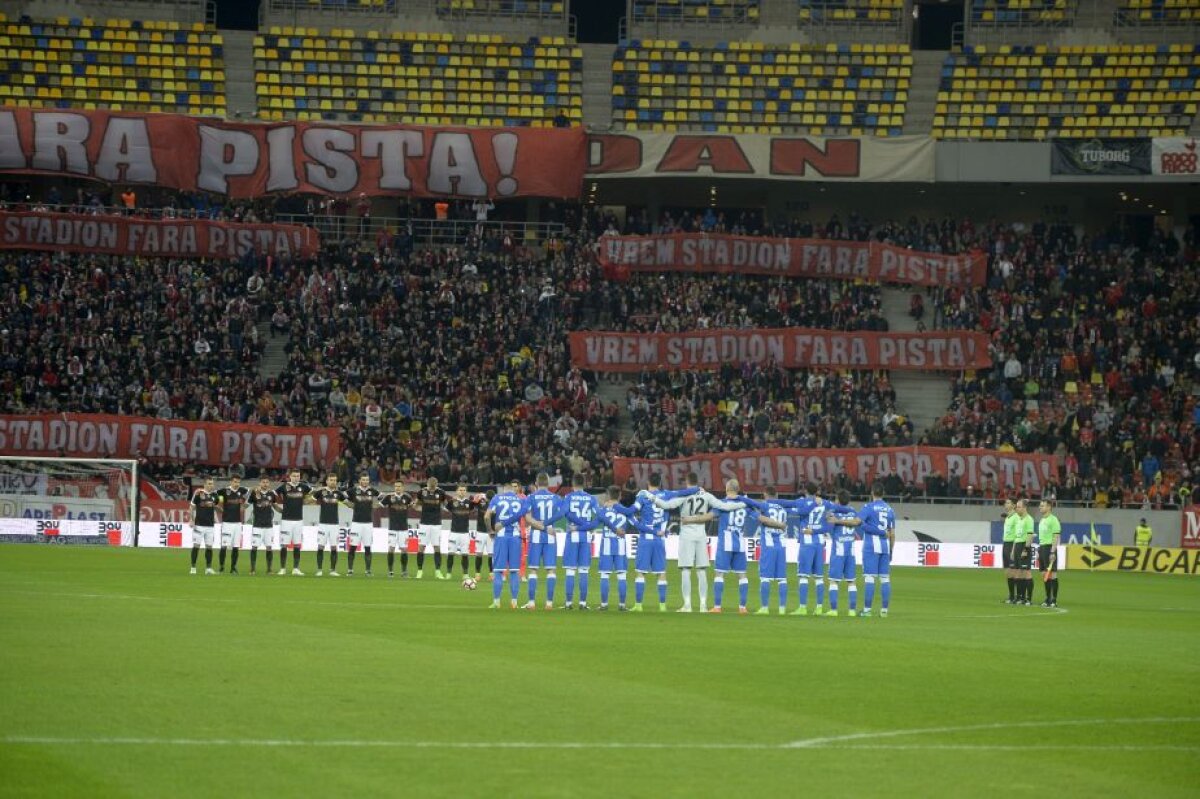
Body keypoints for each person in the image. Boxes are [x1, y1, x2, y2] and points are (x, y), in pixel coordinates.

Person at [650, 475, 746, 613]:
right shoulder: (706, 495)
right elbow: (723, 505)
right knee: (701, 570)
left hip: (687, 535)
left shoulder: (684, 495)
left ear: (687, 483)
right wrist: (743, 503)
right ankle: (703, 605)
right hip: (701, 534)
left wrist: (652, 498)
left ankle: (687, 605)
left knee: (686, 570)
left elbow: (667, 505)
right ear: (698, 482)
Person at [626, 474, 697, 612]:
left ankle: (638, 605)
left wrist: (633, 520)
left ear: (648, 482)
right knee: (661, 573)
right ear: (660, 483)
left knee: (640, 573)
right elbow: (685, 492)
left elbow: (631, 511)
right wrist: (697, 488)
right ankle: (662, 606)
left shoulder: (643, 496)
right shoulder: (667, 494)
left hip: (646, 538)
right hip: (660, 540)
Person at [485, 480, 537, 609]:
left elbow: (486, 516)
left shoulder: (497, 498)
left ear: (503, 489)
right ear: (513, 490)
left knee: (498, 571)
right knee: (514, 571)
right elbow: (528, 519)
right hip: (515, 538)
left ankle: (497, 602)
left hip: (501, 537)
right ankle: (514, 602)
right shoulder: (520, 500)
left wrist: (490, 530)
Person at [740, 487, 790, 615]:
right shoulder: (783, 508)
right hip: (782, 546)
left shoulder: (765, 506)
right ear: (777, 494)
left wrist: (744, 499)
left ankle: (764, 607)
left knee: (765, 578)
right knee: (782, 579)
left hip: (768, 546)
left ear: (765, 495)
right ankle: (782, 609)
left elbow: (753, 505)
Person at [524, 473, 563, 610]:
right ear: (548, 482)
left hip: (535, 535)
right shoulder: (556, 498)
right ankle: (549, 603)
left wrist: (541, 527)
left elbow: (528, 519)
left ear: (536, 482)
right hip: (551, 535)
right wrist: (547, 527)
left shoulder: (531, 497)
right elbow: (562, 513)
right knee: (551, 570)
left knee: (533, 570)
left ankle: (532, 602)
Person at [561, 474, 599, 609]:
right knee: (583, 571)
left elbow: (565, 513)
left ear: (572, 483)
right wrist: (586, 525)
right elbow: (598, 517)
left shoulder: (568, 497)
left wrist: (577, 525)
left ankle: (568, 603)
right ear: (584, 484)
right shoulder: (591, 498)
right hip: (585, 536)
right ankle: (583, 603)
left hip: (572, 534)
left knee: (570, 571)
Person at [857, 483, 896, 617]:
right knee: (885, 579)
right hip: (885, 547)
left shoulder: (868, 507)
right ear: (883, 493)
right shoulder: (890, 510)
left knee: (869, 578)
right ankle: (884, 611)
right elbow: (892, 533)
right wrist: (891, 550)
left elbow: (859, 522)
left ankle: (867, 610)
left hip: (871, 547)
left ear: (872, 492)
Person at [824, 492, 862, 617]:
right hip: (850, 551)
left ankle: (833, 610)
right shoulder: (853, 512)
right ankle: (851, 611)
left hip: (838, 552)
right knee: (851, 582)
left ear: (837, 500)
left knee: (834, 582)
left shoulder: (835, 513)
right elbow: (857, 522)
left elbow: (827, 524)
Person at [275, 469, 310, 576]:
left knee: (297, 545)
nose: (296, 478)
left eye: (298, 476)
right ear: (289, 476)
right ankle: (282, 568)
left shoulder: (303, 487)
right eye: (294, 476)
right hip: (286, 520)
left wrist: (306, 501)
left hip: (299, 520)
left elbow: (312, 493)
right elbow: (272, 495)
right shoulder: (283, 486)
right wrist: (277, 508)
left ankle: (296, 568)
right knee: (284, 545)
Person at [378, 480, 415, 578]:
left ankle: (404, 571)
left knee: (404, 549)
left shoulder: (407, 497)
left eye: (399, 486)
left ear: (403, 487)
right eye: (396, 486)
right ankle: (390, 571)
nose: (397, 488)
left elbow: (413, 506)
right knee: (391, 549)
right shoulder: (389, 497)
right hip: (392, 528)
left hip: (403, 528)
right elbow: (379, 505)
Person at [444, 484, 482, 580]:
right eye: (460, 490)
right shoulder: (452, 502)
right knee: (451, 553)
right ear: (457, 491)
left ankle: (465, 574)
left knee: (465, 554)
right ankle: (448, 573)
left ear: (466, 492)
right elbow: (446, 509)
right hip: (454, 532)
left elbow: (476, 508)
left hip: (465, 533)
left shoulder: (469, 503)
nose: (462, 491)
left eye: (464, 490)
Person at [345, 474, 379, 576]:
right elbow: (342, 496)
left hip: (368, 523)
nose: (365, 481)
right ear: (359, 481)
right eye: (363, 480)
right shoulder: (353, 490)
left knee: (368, 547)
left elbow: (382, 497)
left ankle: (368, 570)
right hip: (356, 523)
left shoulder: (372, 491)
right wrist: (350, 505)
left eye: (367, 480)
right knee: (353, 547)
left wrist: (376, 504)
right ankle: (350, 570)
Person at [312, 474, 345, 577]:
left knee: (334, 547)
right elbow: (311, 500)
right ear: (327, 481)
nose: (333, 482)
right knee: (321, 546)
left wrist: (355, 506)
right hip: (323, 524)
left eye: (335, 480)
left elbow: (347, 502)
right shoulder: (321, 492)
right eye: (331, 480)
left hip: (335, 524)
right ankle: (319, 570)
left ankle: (333, 570)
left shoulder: (338, 493)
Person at [415, 477, 448, 579]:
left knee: (437, 547)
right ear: (427, 483)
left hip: (436, 524)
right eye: (430, 483)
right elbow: (416, 504)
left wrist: (444, 508)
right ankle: (419, 571)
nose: (432, 485)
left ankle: (438, 571)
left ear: (437, 483)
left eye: (434, 483)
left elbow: (445, 504)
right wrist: (420, 509)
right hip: (424, 523)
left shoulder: (441, 493)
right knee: (421, 547)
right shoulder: (422, 492)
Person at [215, 475, 248, 574]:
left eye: (238, 482)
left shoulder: (242, 491)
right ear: (231, 482)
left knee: (236, 547)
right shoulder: (224, 491)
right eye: (235, 482)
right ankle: (221, 567)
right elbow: (214, 496)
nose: (236, 484)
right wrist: (218, 506)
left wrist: (244, 505)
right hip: (227, 523)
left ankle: (233, 568)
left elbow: (252, 492)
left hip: (238, 523)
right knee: (224, 546)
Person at [247, 476, 277, 575]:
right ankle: (252, 569)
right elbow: (247, 504)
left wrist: (283, 512)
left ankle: (269, 569)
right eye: (263, 482)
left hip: (268, 525)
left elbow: (275, 505)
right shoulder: (254, 493)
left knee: (269, 547)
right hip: (257, 525)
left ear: (269, 483)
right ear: (260, 483)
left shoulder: (272, 494)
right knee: (254, 547)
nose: (265, 484)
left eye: (267, 482)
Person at [189, 476, 218, 575]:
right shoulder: (198, 493)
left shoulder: (215, 495)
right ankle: (193, 567)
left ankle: (208, 568)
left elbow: (215, 506)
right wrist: (191, 520)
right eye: (209, 484)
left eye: (212, 484)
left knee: (209, 547)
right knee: (196, 546)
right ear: (205, 484)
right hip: (199, 525)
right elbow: (191, 507)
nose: (211, 485)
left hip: (210, 525)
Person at [1010, 499, 1035, 605]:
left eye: (1019, 507)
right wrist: (1013, 550)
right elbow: (1017, 536)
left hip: (1024, 546)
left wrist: (1026, 549)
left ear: (1025, 508)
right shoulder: (1019, 520)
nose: (1016, 508)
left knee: (1026, 572)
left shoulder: (1029, 519)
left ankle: (1028, 599)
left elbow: (1030, 535)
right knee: (1018, 572)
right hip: (1017, 546)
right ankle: (1020, 597)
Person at [1037, 499, 1062, 607]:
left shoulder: (1054, 520)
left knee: (1052, 575)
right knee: (1044, 575)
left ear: (1049, 507)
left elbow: (1056, 536)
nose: (1040, 507)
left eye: (1042, 506)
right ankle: (1047, 598)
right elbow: (1042, 537)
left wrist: (1052, 552)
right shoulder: (1042, 520)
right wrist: (1039, 550)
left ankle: (1054, 600)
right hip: (1042, 548)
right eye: (1040, 505)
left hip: (1049, 549)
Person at [471, 489, 494, 581]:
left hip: (490, 533)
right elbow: (472, 504)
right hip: (481, 531)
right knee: (479, 553)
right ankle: (478, 574)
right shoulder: (481, 502)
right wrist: (475, 498)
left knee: (490, 554)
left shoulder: (495, 505)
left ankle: (491, 574)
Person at [1000, 498, 1019, 603]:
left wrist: (1014, 549)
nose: (1005, 504)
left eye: (1008, 503)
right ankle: (1011, 595)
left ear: (1014, 505)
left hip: (1012, 544)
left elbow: (1017, 534)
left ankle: (1018, 595)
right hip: (1005, 544)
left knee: (1014, 572)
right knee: (1007, 572)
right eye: (1005, 503)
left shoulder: (1016, 518)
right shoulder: (1008, 517)